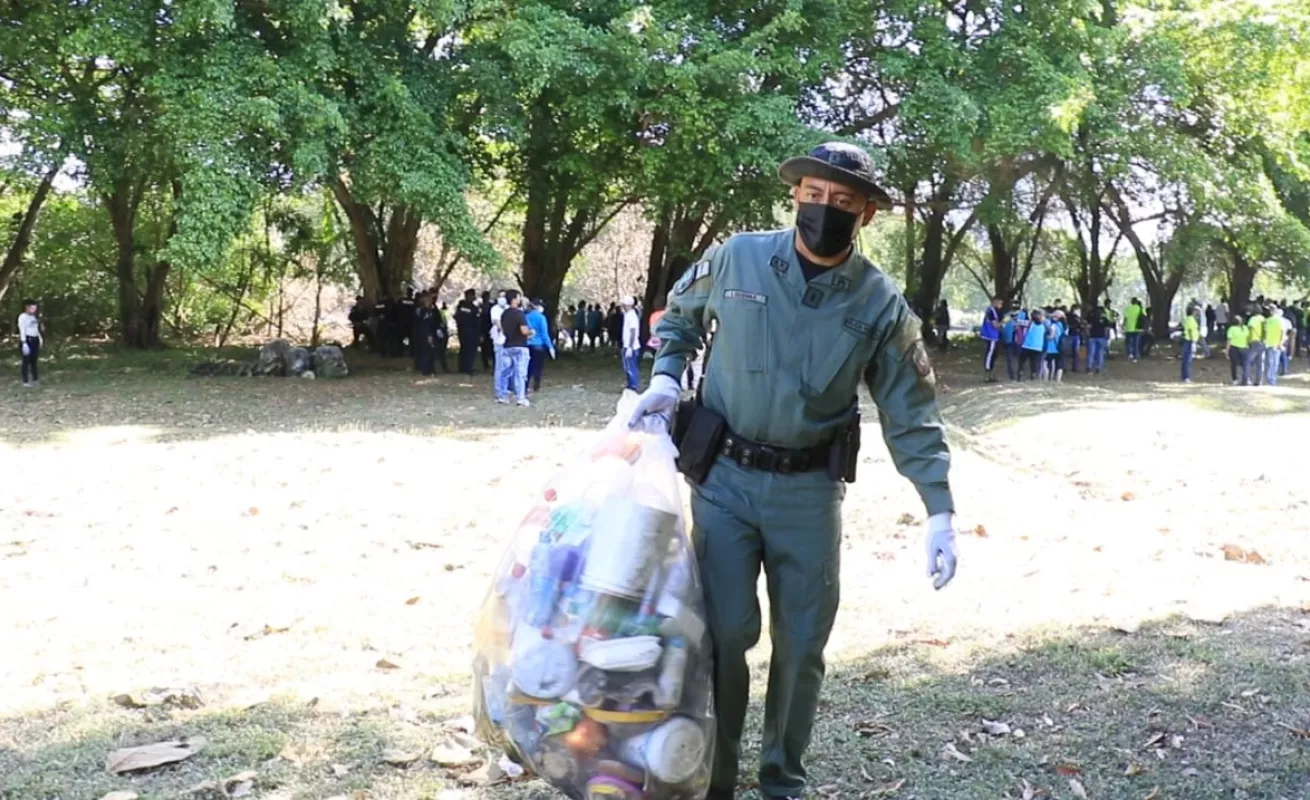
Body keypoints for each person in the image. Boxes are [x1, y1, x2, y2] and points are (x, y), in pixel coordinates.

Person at [627, 142, 959, 800]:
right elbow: (682, 316)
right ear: (795, 196)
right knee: (723, 635)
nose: (824, 209)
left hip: (808, 492)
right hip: (723, 481)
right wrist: (666, 379)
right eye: (813, 194)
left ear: (866, 215)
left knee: (803, 643)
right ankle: (714, 778)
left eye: (842, 202)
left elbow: (912, 413)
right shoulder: (737, 257)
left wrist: (939, 508)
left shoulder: (881, 305)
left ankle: (782, 779)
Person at [498, 291, 531, 407]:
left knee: (505, 372)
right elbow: (524, 331)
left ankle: (503, 395)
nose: (520, 299)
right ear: (514, 299)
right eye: (518, 297)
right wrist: (531, 332)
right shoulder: (519, 314)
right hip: (520, 346)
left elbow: (502, 329)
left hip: (507, 346)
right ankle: (521, 398)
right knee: (520, 373)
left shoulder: (504, 314)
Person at [525, 298, 556, 393]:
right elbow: (544, 334)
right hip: (539, 345)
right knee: (538, 367)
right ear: (537, 307)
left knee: (528, 366)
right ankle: (536, 386)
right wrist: (550, 347)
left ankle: (525, 386)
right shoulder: (541, 318)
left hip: (527, 344)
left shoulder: (526, 316)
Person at [455, 289, 480, 376]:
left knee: (466, 350)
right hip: (468, 331)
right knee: (468, 350)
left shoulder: (468, 306)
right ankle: (467, 368)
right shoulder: (466, 306)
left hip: (466, 331)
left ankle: (464, 367)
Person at [17, 299, 42, 388]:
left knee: (34, 361)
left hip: (35, 339)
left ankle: (35, 379)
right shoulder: (22, 317)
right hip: (27, 340)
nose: (33, 310)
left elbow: (36, 328)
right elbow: (22, 330)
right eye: (32, 308)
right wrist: (24, 342)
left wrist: (40, 338)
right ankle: (25, 381)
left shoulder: (34, 317)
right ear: (27, 307)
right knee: (26, 361)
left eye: (35, 308)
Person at [620, 295, 641, 390]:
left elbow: (633, 332)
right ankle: (630, 385)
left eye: (624, 305)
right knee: (627, 367)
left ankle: (633, 386)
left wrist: (630, 347)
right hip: (627, 345)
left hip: (631, 346)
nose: (622, 306)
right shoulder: (627, 315)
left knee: (631, 367)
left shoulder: (632, 315)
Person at [1020, 308, 1046, 381]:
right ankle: (1033, 376)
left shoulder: (1030, 323)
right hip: (1038, 347)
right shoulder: (1044, 325)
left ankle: (1021, 374)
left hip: (1027, 346)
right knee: (1034, 363)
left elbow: (1019, 322)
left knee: (1022, 361)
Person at [415, 294, 438, 376]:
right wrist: (429, 335)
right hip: (425, 334)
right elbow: (425, 324)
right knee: (426, 351)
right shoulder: (424, 311)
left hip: (430, 333)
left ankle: (430, 368)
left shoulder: (430, 310)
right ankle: (426, 369)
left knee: (431, 352)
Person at [980, 296, 1002, 383]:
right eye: (1000, 303)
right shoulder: (991, 311)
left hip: (994, 336)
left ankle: (990, 374)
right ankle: (987, 374)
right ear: (995, 302)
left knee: (994, 354)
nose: (1001, 305)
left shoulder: (993, 311)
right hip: (990, 336)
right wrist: (1004, 322)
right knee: (990, 354)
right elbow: (995, 325)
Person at [491, 292, 508, 399]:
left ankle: (506, 388)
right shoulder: (495, 309)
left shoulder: (508, 308)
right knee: (500, 366)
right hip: (499, 339)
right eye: (500, 296)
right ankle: (499, 390)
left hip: (509, 341)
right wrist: (506, 331)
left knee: (508, 366)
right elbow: (496, 322)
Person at [1227, 314, 1250, 386]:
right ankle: (1246, 378)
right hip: (1244, 347)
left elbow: (1229, 340)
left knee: (1234, 364)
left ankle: (1235, 379)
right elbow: (1248, 338)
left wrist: (1227, 350)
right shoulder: (1245, 328)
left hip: (1234, 348)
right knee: (1245, 364)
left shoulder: (1231, 329)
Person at [1264, 306, 1285, 385]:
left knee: (1269, 361)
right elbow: (1282, 333)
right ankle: (1272, 379)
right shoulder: (1280, 320)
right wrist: (1281, 343)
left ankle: (1269, 377)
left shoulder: (1267, 320)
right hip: (1276, 343)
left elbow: (1265, 333)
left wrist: (1265, 341)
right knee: (1275, 362)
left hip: (1269, 343)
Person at [1181, 304, 1200, 383]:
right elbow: (1190, 331)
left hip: (1189, 341)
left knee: (1186, 360)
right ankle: (1186, 377)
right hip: (1189, 341)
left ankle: (1184, 376)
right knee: (1187, 360)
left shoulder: (1188, 319)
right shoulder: (1190, 320)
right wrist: (1193, 342)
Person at [1087, 303, 1109, 374]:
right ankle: (1098, 367)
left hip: (1092, 337)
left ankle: (1089, 367)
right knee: (1100, 353)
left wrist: (1088, 333)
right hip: (1101, 337)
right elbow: (1106, 329)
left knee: (1091, 353)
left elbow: (1088, 327)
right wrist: (1106, 336)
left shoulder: (1092, 318)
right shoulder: (1105, 319)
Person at [1247, 306, 1266, 386]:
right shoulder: (1263, 319)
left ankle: (1247, 378)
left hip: (1254, 341)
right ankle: (1259, 380)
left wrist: (1248, 340)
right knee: (1260, 363)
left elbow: (1250, 330)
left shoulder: (1252, 319)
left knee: (1247, 361)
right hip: (1262, 342)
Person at [1045, 309, 1065, 381]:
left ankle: (1046, 379)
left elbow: (1051, 336)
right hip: (1060, 347)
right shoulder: (1064, 326)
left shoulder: (1053, 325)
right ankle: (1058, 380)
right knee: (1059, 365)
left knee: (1047, 363)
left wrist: (1045, 337)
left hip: (1051, 347)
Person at [479, 290, 496, 369]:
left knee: (491, 347)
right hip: (483, 329)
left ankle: (491, 363)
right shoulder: (480, 307)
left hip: (490, 328)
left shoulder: (491, 306)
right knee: (484, 348)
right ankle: (486, 363)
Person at [435, 302, 450, 373]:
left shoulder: (443, 311)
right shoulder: (437, 311)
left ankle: (443, 368)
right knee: (440, 352)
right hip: (439, 331)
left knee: (441, 351)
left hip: (442, 331)